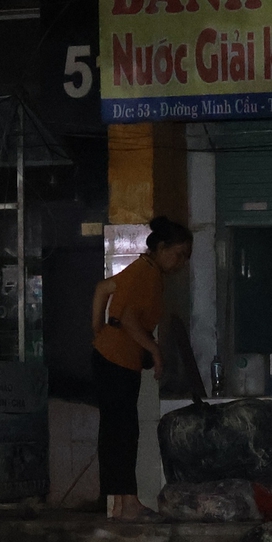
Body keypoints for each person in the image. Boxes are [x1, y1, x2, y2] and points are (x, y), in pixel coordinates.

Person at [91, 216, 195, 520]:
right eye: (177, 254)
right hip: (117, 361)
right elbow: (129, 319)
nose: (180, 263)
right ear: (161, 248)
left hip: (111, 357)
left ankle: (124, 504)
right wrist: (155, 351)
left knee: (118, 432)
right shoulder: (147, 274)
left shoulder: (140, 269)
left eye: (185, 257)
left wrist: (98, 331)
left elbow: (102, 289)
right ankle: (128, 503)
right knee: (122, 433)